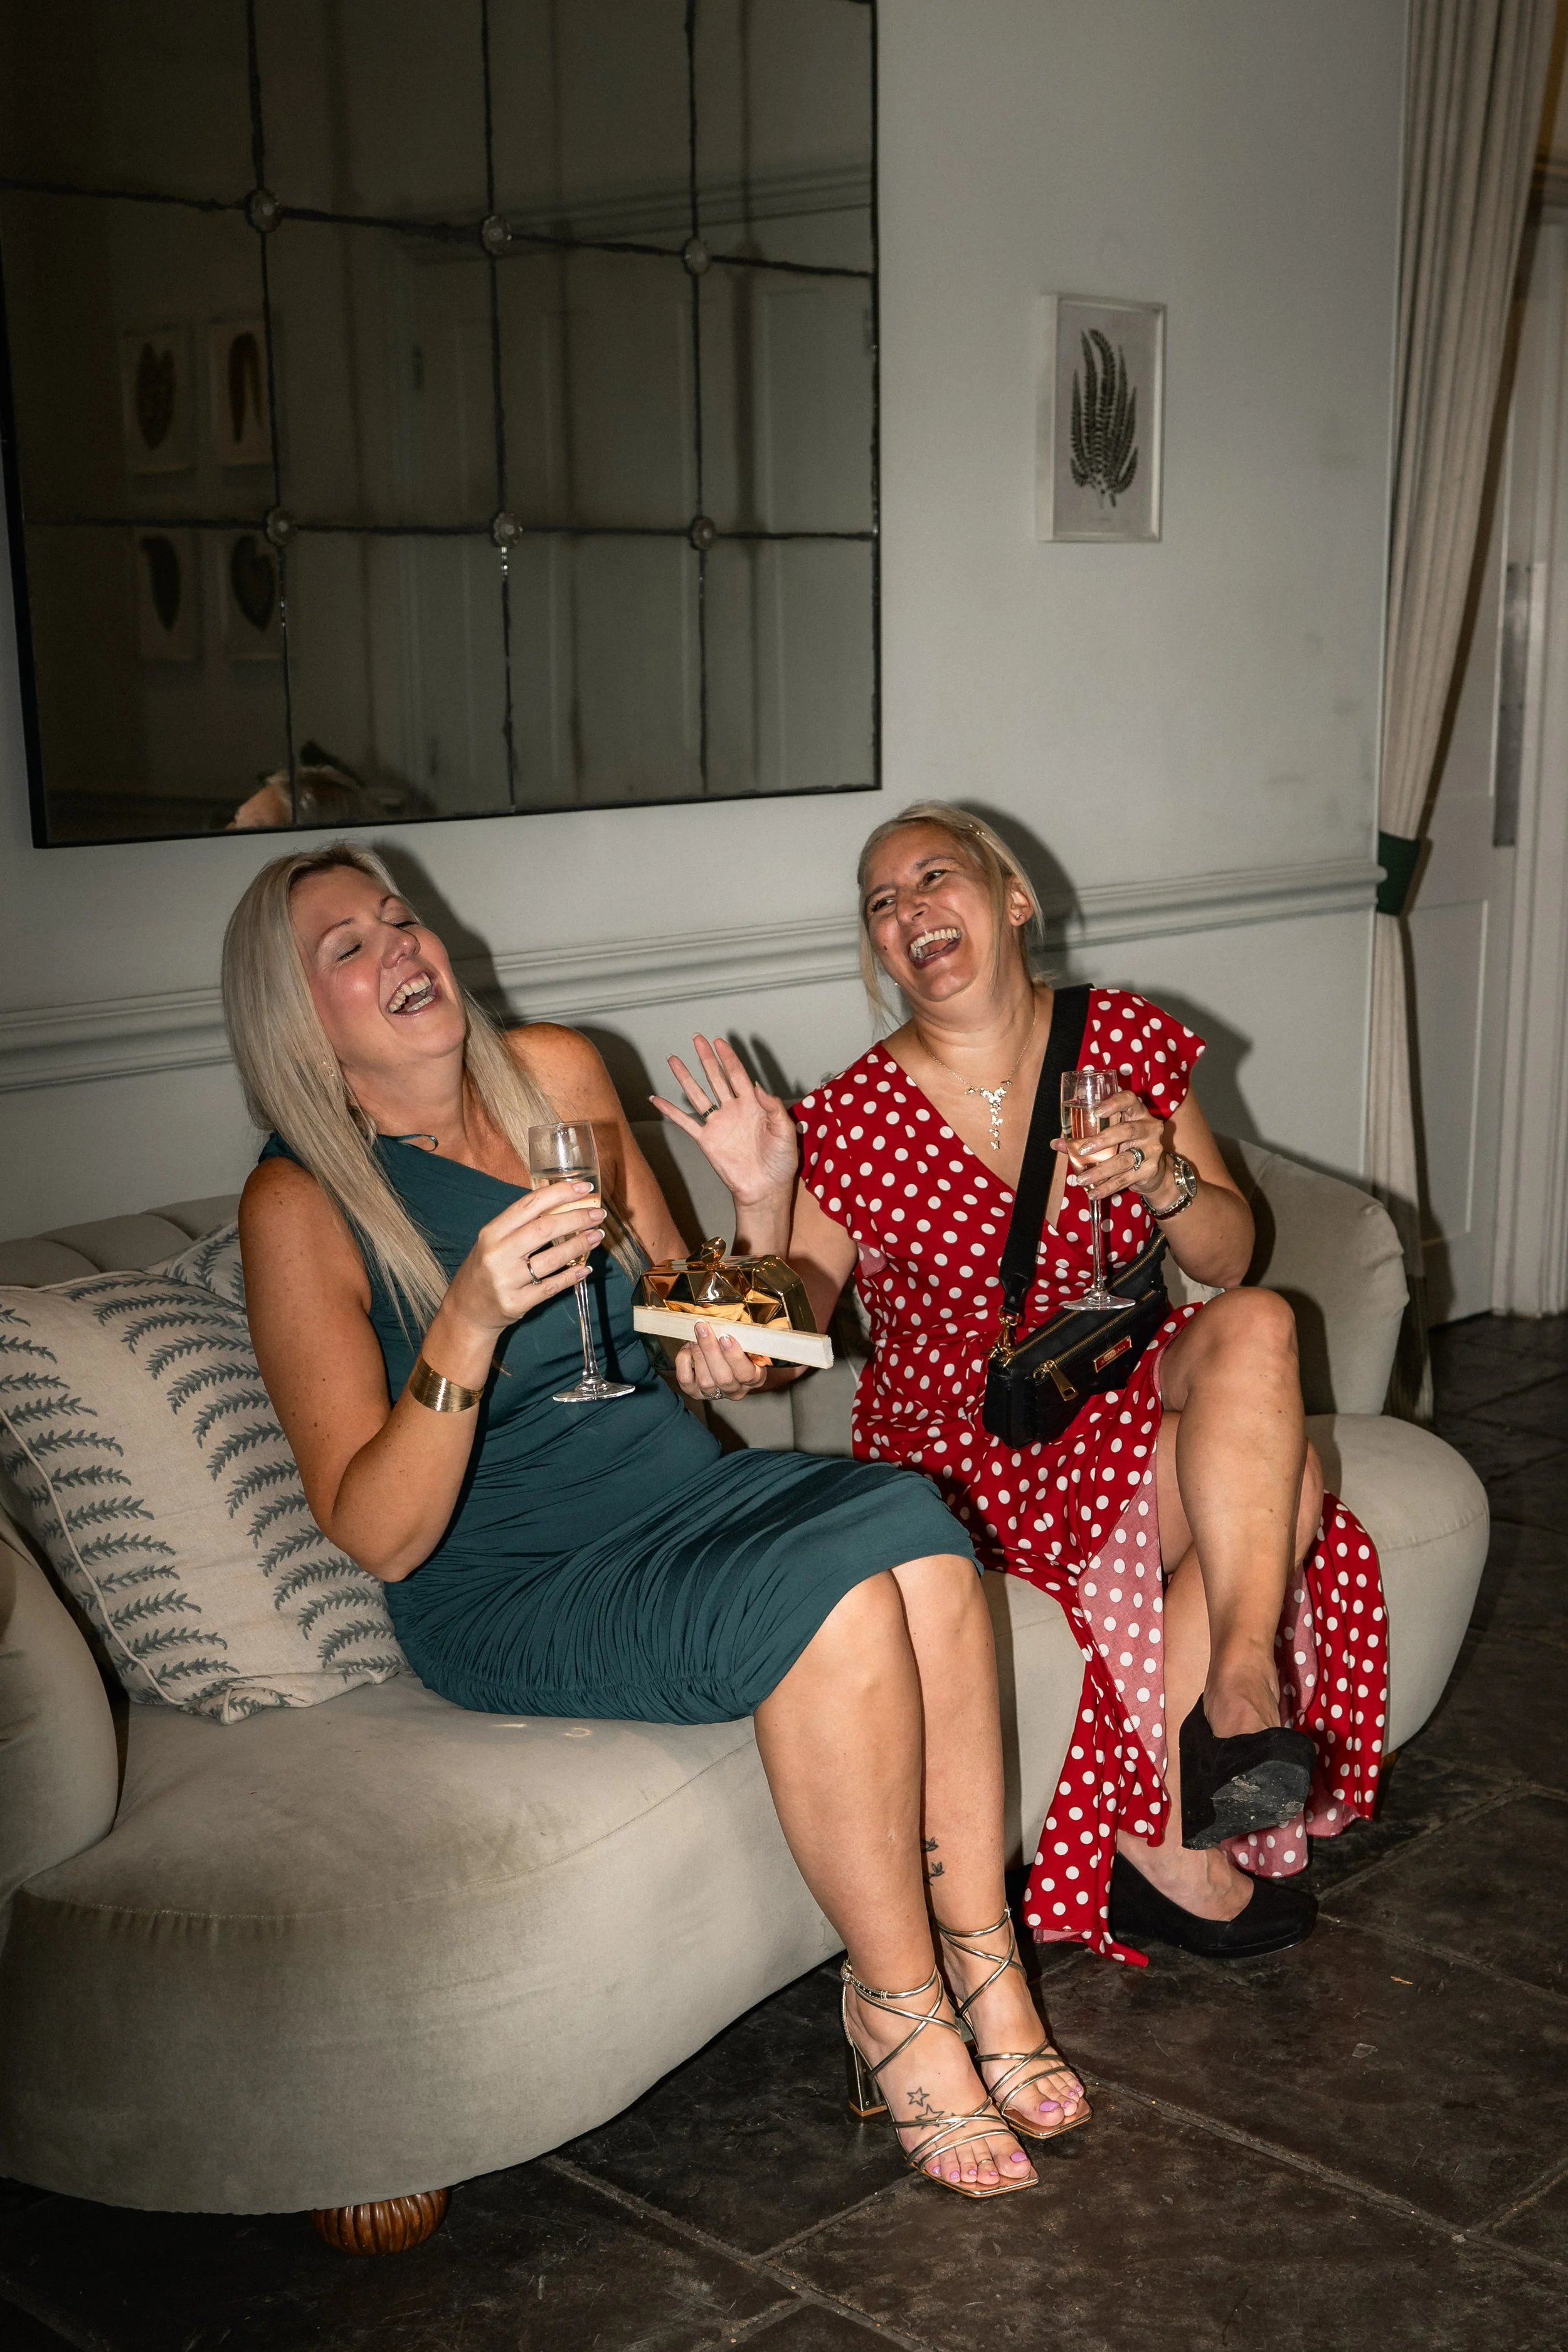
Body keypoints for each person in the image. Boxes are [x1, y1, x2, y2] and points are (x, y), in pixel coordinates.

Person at [223, 839, 1089, 2200]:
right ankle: (894, 2004)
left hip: (675, 1489)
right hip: (511, 1576)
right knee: (846, 1592)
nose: (402, 948)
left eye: (402, 919)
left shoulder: (558, 1077)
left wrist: (756, 1198)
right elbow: (376, 1535)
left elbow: (712, 1338)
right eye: (350, 946)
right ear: (295, 1017)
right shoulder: (299, 1205)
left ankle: (985, 1961)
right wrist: (464, 1314)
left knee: (915, 1527)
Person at [654, 804, 1388, 1966]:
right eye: (882, 904)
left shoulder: (1125, 1040)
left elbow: (1229, 1257)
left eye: (934, 878)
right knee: (1281, 1498)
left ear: (1012, 900)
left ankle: (1238, 1691)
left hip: (1124, 1380)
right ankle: (1167, 1836)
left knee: (1254, 1322)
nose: (909, 913)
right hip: (965, 1439)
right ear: (879, 947)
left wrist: (1164, 1176)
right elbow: (795, 1305)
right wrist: (758, 1202)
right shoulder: (851, 1118)